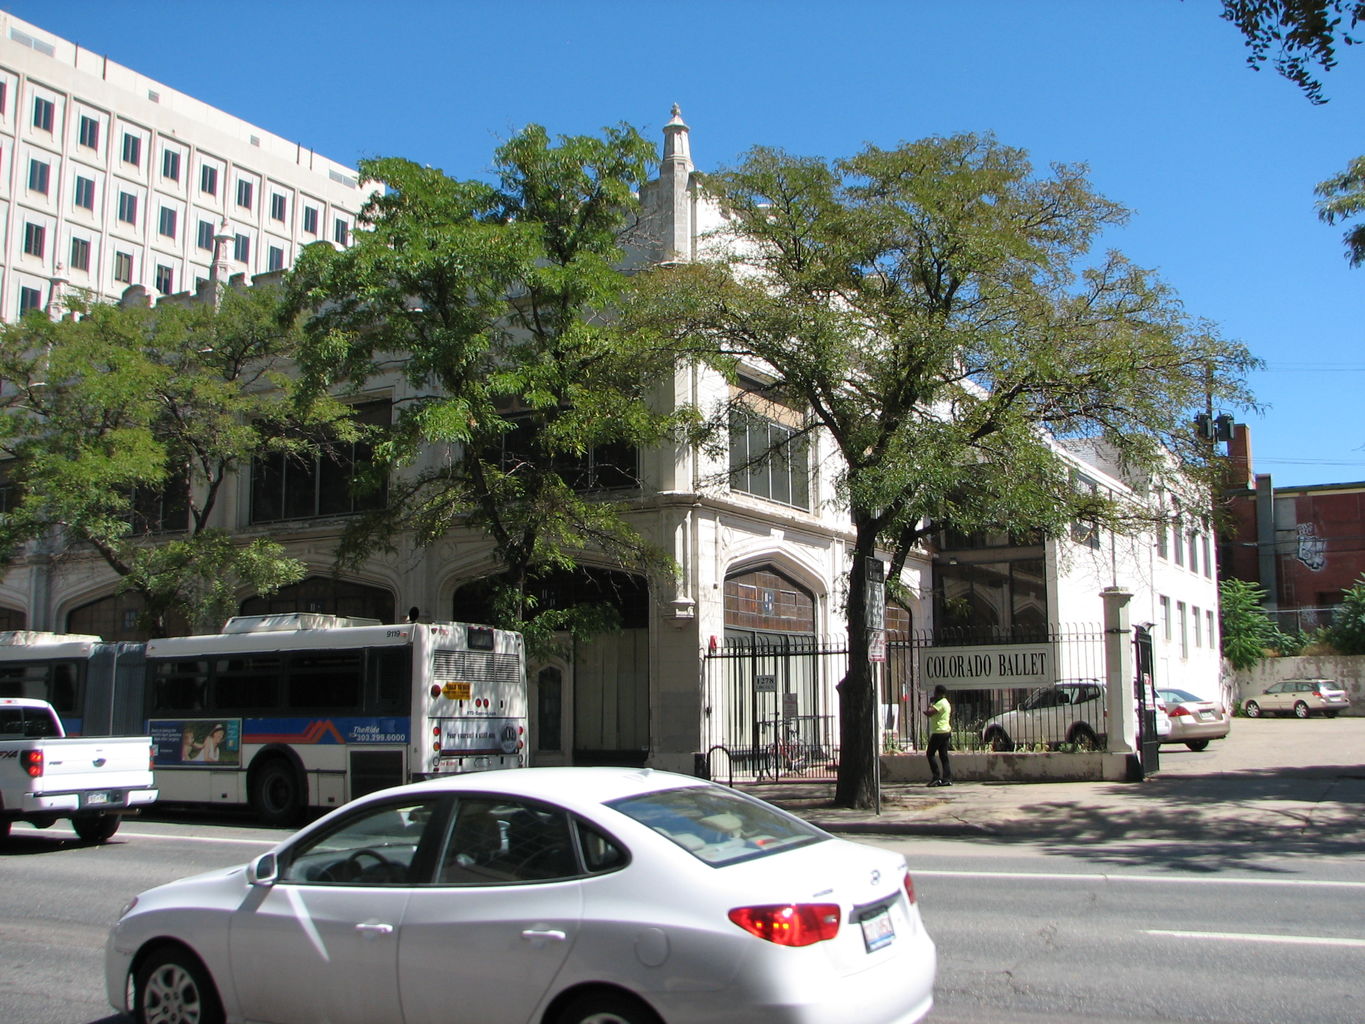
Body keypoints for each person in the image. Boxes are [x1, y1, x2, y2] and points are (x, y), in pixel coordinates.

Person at [923, 685, 953, 787]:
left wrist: (930, 703)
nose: (934, 694)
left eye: (935, 693)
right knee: (943, 756)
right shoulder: (946, 702)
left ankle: (936, 777)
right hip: (946, 731)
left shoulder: (940, 703)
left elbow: (929, 713)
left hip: (939, 732)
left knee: (930, 753)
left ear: (940, 693)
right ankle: (947, 778)